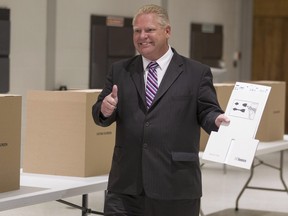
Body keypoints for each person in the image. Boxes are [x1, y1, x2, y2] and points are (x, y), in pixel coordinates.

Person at [92, 4, 230, 216]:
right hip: (126, 188)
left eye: (149, 30)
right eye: (137, 31)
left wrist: (216, 120)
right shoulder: (120, 71)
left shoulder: (196, 73)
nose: (142, 36)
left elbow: (207, 111)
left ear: (167, 32)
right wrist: (104, 109)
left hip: (175, 186)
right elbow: (101, 113)